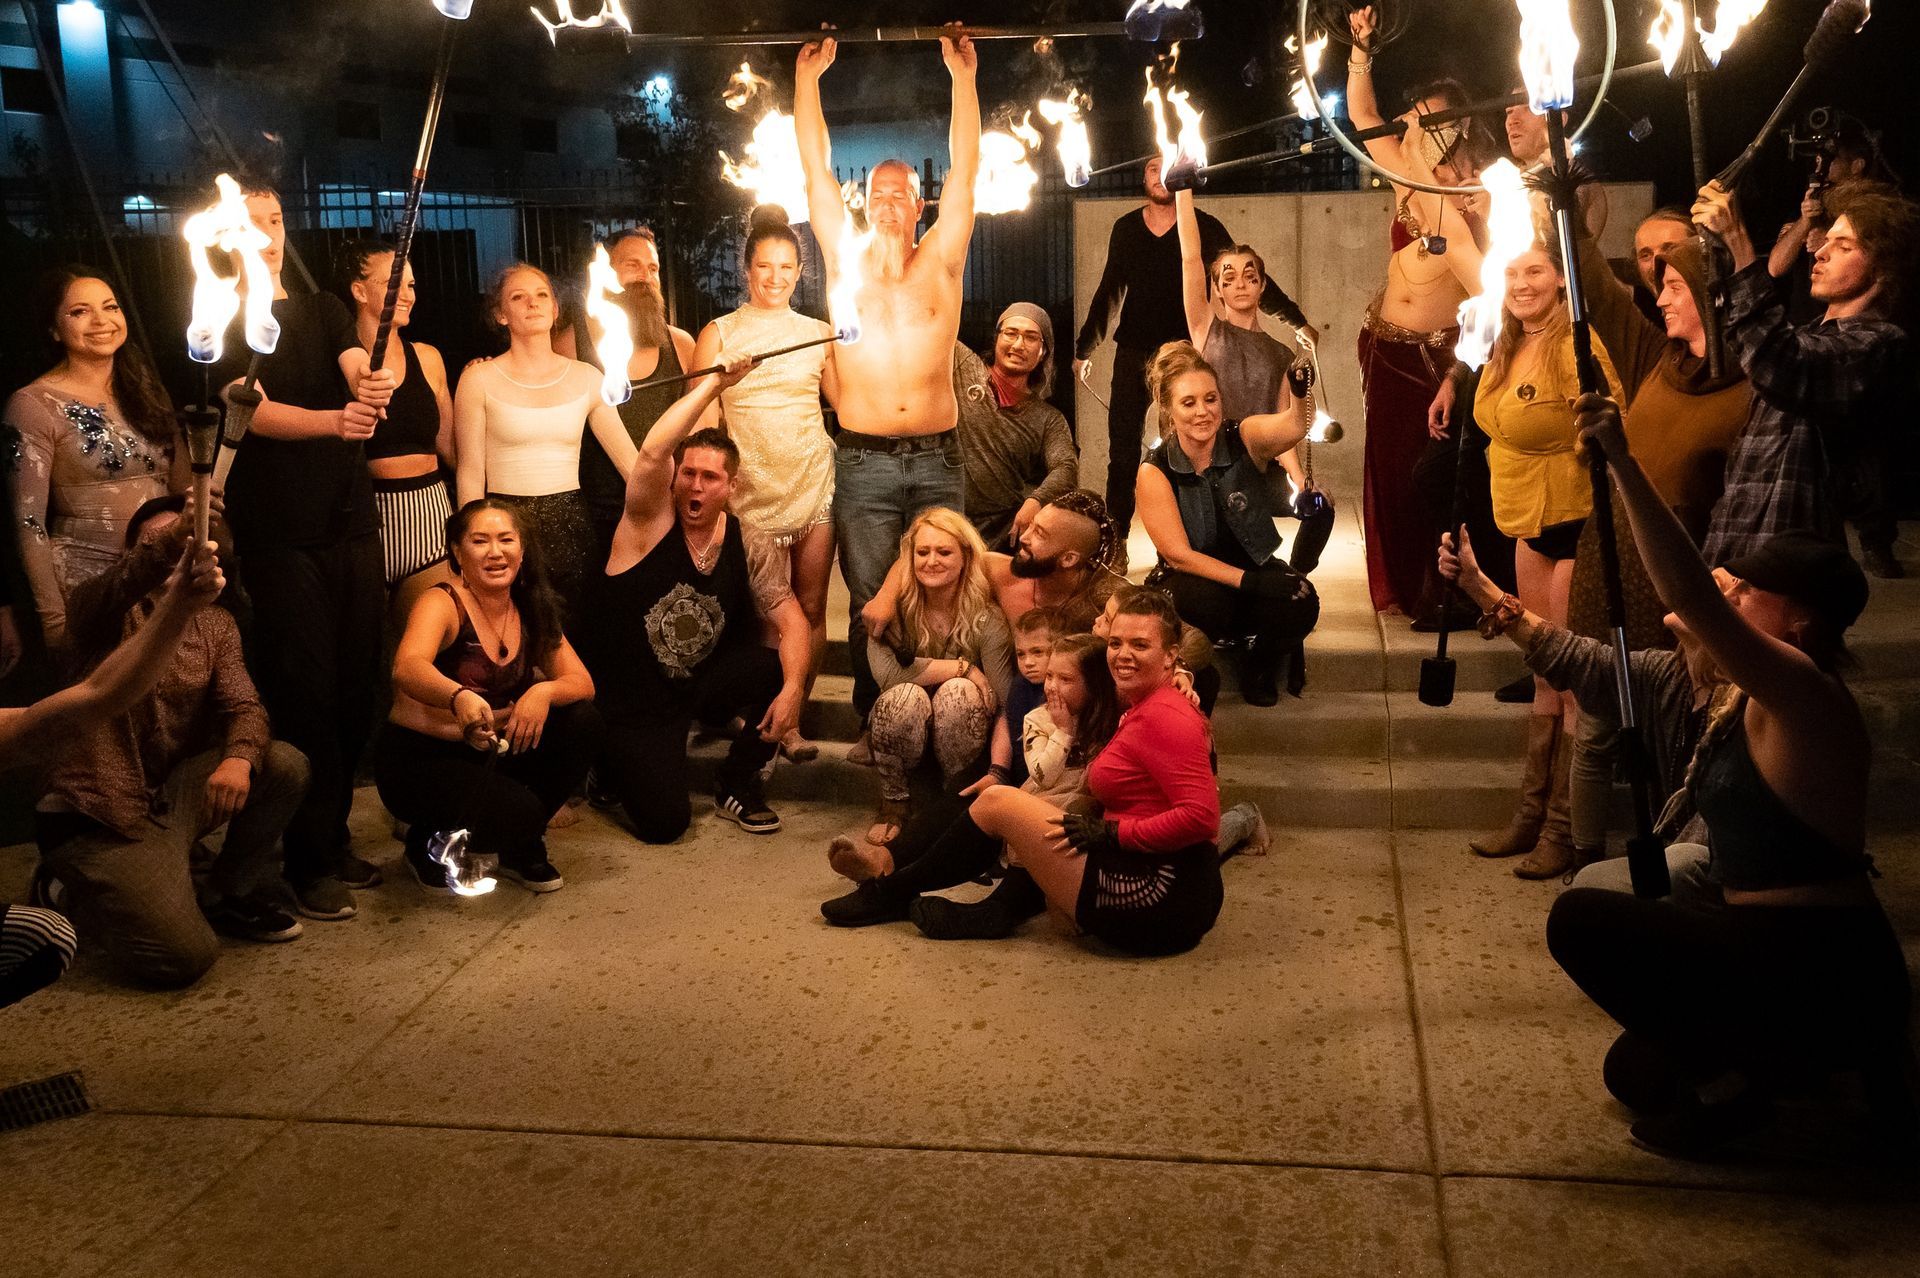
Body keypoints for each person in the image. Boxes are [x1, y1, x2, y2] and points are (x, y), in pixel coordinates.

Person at [1550, 392, 1912, 1159]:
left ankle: (1746, 1096)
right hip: (1758, 942)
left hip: (1815, 958)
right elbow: (1681, 617)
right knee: (1635, 1073)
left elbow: (1685, 592)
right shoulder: (1747, 692)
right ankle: (1787, 1072)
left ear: (1801, 622)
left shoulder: (1805, 691)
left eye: (1750, 592)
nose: (1732, 595)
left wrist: (1623, 462)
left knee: (1579, 921)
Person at [34, 494, 310, 987]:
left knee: (283, 763)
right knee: (186, 956)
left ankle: (226, 894)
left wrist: (239, 760)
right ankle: (69, 887)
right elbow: (107, 594)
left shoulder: (215, 624)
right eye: (161, 543)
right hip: (97, 817)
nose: (177, 553)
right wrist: (175, 533)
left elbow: (245, 707)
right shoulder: (103, 612)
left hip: (164, 800)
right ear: (134, 554)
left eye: (188, 543)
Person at [795, 33, 978, 721]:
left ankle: (947, 710)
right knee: (872, 596)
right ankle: (879, 720)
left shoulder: (943, 261)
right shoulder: (844, 262)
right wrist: (807, 82)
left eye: (901, 194)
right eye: (878, 193)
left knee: (944, 589)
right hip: (864, 461)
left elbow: (966, 171)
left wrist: (962, 78)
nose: (888, 202)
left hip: (938, 457)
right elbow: (814, 170)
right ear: (865, 202)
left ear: (919, 206)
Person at [218, 183, 385, 922]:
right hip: (280, 534)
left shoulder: (320, 308)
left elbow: (354, 362)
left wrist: (370, 382)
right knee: (306, 695)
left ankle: (333, 835)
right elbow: (247, 409)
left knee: (355, 688)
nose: (268, 234)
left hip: (349, 524)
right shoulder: (220, 319)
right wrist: (336, 422)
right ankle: (308, 858)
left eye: (276, 220)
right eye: (251, 223)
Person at [1560, 227, 1750, 864]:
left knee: (1677, 735)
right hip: (1613, 567)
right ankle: (1584, 859)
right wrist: (1562, 211)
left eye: (1675, 287)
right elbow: (1599, 289)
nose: (1660, 298)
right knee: (1597, 727)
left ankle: (1673, 862)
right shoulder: (1655, 359)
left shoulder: (1751, 390)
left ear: (1711, 296)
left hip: (1679, 585)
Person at [577, 357, 811, 843]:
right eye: (688, 473)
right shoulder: (649, 522)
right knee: (665, 825)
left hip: (697, 683)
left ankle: (736, 781)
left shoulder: (749, 541)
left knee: (776, 668)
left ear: (732, 486)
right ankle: (606, 760)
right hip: (635, 698)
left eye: (710, 477)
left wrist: (793, 690)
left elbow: (792, 621)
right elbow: (650, 454)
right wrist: (713, 386)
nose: (696, 485)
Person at [913, 590, 1224, 955]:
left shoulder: (1167, 714)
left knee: (999, 803)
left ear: (1171, 655)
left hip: (1163, 894)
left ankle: (892, 890)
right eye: (1115, 643)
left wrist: (1114, 833)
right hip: (1147, 864)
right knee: (1057, 900)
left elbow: (1202, 818)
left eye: (1139, 644)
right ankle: (950, 896)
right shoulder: (1136, 701)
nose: (1123, 653)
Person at [1439, 524, 1717, 906]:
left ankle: (1563, 833)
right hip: (1545, 519)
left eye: (1734, 586)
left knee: (1585, 707)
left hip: (1728, 885)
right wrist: (1478, 586)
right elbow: (1578, 660)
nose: (1719, 585)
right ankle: (1537, 818)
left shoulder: (1769, 704)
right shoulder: (1667, 675)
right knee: (1558, 679)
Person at [1464, 245, 1620, 879]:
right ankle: (1531, 817)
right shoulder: (1505, 341)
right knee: (1543, 677)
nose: (1521, 284)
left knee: (1575, 684)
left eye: (1535, 271)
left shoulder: (1574, 341)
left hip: (1574, 523)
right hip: (1525, 521)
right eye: (1511, 272)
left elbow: (1611, 418)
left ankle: (1569, 833)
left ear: (1560, 279)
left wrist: (1586, 446)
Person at [1346, 6, 1495, 617]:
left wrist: (1463, 371)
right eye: (1414, 116)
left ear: (1459, 126)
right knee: (1389, 468)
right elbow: (1362, 115)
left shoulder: (1477, 189)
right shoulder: (1405, 174)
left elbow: (1487, 284)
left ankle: (1449, 590)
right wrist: (1361, 49)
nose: (1416, 127)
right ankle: (1407, 589)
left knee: (1432, 474)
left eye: (1430, 119)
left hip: (1442, 353)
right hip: (1386, 346)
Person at [1074, 157, 1311, 540]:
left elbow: (1244, 274)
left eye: (1168, 167)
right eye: (1153, 168)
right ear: (1144, 177)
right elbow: (1109, 291)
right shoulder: (1127, 229)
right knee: (1122, 450)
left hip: (1186, 354)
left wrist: (1295, 320)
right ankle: (1116, 539)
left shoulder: (1205, 227)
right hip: (1134, 349)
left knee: (1181, 449)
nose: (1161, 175)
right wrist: (1085, 349)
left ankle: (1178, 539)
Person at [821, 631, 1121, 928]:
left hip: (1077, 815)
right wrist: (999, 770)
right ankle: (888, 868)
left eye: (1064, 678)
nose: (1051, 685)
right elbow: (1023, 745)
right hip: (1034, 776)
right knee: (971, 791)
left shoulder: (1113, 713)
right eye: (1049, 675)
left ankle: (985, 905)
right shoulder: (1035, 702)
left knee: (1008, 807)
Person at [1692, 179, 1916, 576]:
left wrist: (1740, 244)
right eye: (1827, 241)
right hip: (1735, 541)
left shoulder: (1880, 344)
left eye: (1844, 246)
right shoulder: (1807, 335)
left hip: (1787, 564)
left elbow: (1785, 367)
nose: (1821, 252)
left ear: (1883, 266)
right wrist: (1722, 254)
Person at [377, 499, 602, 893]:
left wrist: (543, 691)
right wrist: (458, 697)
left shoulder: (529, 605)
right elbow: (407, 667)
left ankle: (519, 844)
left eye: (506, 540)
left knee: (584, 720)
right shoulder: (441, 602)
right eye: (480, 541)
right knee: (520, 812)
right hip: (424, 757)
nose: (495, 552)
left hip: (492, 750)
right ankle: (426, 841)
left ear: (522, 550)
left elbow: (582, 682)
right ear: (458, 552)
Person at [690, 207, 840, 762]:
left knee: (812, 608)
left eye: (786, 267)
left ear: (799, 272)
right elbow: (701, 419)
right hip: (748, 493)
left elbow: (847, 405)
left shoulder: (818, 334)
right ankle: (758, 717)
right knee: (765, 619)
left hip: (813, 482)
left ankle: (792, 720)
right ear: (746, 268)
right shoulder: (720, 333)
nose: (775, 277)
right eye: (764, 266)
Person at [6, 267, 181, 652]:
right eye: (80, 311)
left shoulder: (147, 391)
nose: (101, 320)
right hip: (91, 586)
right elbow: (27, 521)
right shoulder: (33, 404)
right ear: (53, 329)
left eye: (110, 307)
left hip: (164, 577)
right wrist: (54, 621)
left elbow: (183, 484)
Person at [1135, 343, 1320, 707]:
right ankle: (1203, 660)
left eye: (1211, 399)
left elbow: (1295, 425)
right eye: (1189, 403)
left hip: (1249, 567)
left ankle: (1259, 664)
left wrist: (1299, 393)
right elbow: (1179, 556)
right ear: (1169, 409)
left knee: (1302, 599)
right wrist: (1251, 582)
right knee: (1207, 602)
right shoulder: (1154, 469)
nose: (1203, 411)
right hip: (1192, 579)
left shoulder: (1244, 436)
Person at [453, 262, 639, 614]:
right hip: (505, 528)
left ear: (555, 310)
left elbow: (631, 465)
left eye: (541, 295)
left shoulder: (588, 378)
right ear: (500, 314)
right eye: (518, 297)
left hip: (570, 527)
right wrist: (470, 543)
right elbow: (470, 472)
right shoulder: (478, 379)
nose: (532, 303)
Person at [865, 507, 1014, 847]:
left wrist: (999, 770)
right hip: (904, 728)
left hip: (964, 737)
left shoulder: (987, 617)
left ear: (965, 558)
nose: (931, 561)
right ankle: (894, 805)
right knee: (904, 696)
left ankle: (955, 801)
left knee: (958, 693)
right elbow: (887, 675)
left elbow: (1004, 699)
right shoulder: (890, 610)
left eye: (944, 552)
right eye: (923, 552)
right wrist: (965, 668)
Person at [336, 240, 456, 621]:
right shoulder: (338, 365)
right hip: (365, 521)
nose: (407, 295)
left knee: (424, 646)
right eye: (394, 283)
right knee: (370, 649)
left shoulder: (429, 358)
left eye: (411, 285)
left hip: (430, 520)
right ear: (359, 291)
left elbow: (453, 449)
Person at [1174, 187, 1316, 509]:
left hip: (1252, 467)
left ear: (1262, 285)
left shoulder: (1282, 355)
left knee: (1318, 509)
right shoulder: (1207, 329)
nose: (1239, 284)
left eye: (1249, 277)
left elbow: (1284, 427)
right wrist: (1183, 188)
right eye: (1229, 278)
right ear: (1217, 289)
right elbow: (1190, 258)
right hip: (1206, 460)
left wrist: (1300, 480)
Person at [952, 303, 1078, 549]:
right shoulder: (964, 367)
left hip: (1006, 530)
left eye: (1031, 338)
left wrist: (1036, 501)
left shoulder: (1048, 418)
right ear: (996, 338)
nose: (1018, 345)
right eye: (1010, 333)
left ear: (1044, 352)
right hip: (949, 522)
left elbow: (1066, 467)